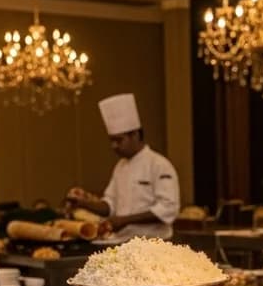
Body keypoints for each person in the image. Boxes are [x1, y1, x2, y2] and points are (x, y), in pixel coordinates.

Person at [65, 93, 180, 239]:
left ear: (135, 135)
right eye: (111, 141)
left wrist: (125, 220)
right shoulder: (120, 166)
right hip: (123, 242)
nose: (114, 146)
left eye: (119, 140)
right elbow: (110, 205)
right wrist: (83, 204)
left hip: (154, 243)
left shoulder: (159, 164)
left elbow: (168, 209)